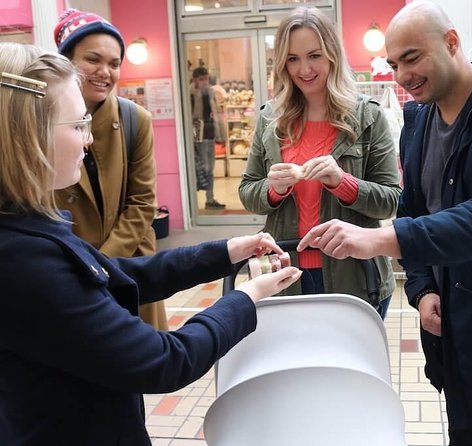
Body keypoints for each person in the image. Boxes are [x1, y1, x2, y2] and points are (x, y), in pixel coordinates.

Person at [298, 2, 472, 445]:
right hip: (453, 314)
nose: (402, 76)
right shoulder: (420, 118)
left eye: (412, 58)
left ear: (451, 42)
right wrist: (423, 287)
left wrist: (378, 240)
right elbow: (414, 207)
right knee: (467, 434)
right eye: (394, 64)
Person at [0, 42, 302, 445]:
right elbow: (165, 359)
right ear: (29, 137)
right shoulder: (24, 259)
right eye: (76, 125)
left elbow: (115, 274)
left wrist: (226, 252)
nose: (87, 138)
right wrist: (246, 298)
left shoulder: (27, 230)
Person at [239, 6, 401, 319]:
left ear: (332, 55)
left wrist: (343, 182)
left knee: (352, 368)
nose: (304, 69)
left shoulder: (368, 116)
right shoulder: (270, 119)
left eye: (314, 55)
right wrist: (272, 189)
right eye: (292, 58)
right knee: (296, 366)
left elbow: (390, 201)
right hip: (286, 276)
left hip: (355, 278)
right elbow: (248, 191)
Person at [52, 8, 168, 329]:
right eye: (92, 60)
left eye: (114, 63)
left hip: (127, 264)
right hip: (68, 270)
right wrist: (79, 265)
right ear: (66, 62)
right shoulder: (40, 120)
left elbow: (143, 204)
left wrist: (99, 263)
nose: (104, 72)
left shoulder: (134, 120)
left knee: (143, 362)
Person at [190, 66, 226, 210]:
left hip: (210, 133)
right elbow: (193, 116)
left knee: (210, 167)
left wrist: (221, 134)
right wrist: (199, 95)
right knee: (202, 167)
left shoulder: (211, 92)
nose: (204, 82)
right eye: (201, 79)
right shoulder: (190, 93)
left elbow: (216, 113)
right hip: (197, 135)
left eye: (206, 79)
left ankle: (210, 199)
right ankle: (195, 202)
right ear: (195, 80)